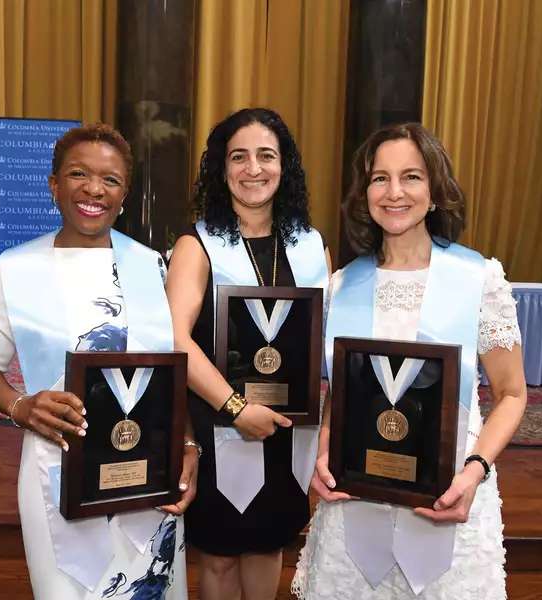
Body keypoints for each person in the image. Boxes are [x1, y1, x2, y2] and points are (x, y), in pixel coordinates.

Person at [292, 122, 527, 600]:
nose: (394, 192)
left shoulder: (478, 278)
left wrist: (475, 470)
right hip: (355, 503)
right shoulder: (341, 285)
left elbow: (511, 394)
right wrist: (324, 450)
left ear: (436, 191)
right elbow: (342, 395)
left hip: (450, 492)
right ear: (365, 193)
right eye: (380, 178)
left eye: (411, 177)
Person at [0, 123, 197, 600]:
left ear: (124, 194)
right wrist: (20, 406)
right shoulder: (17, 268)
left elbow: (173, 370)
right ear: (54, 184)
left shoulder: (154, 266)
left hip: (146, 470)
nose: (94, 189)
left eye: (110, 180)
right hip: (57, 467)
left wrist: (189, 445)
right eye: (78, 174)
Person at [166, 107, 331, 600]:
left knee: (267, 546)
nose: (253, 169)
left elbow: (324, 337)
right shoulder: (197, 245)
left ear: (286, 166)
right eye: (239, 157)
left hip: (288, 423)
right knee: (219, 554)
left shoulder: (309, 245)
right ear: (222, 169)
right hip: (221, 420)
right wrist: (235, 408)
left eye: (266, 156)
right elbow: (176, 339)